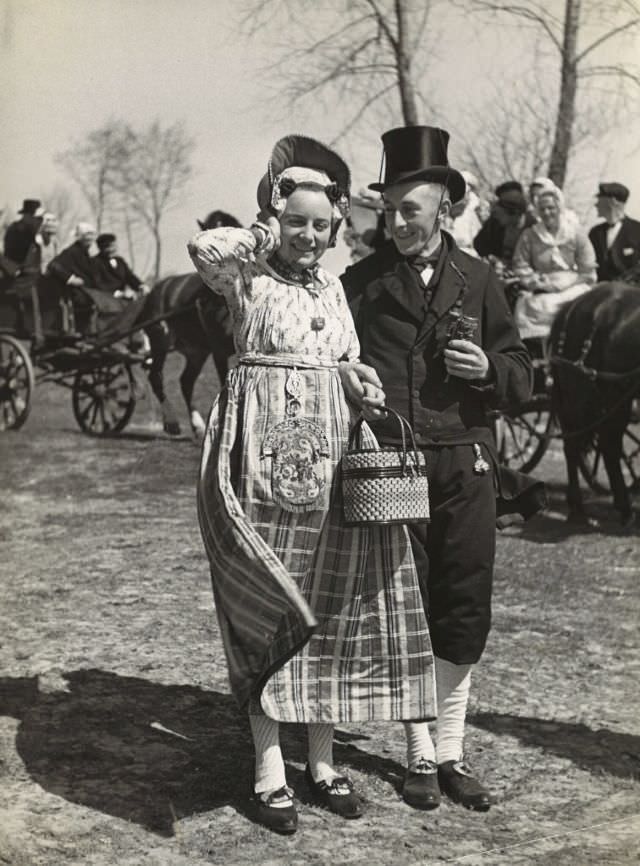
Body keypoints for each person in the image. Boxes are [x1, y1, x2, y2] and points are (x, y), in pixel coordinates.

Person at [188, 135, 437, 835]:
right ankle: (269, 766)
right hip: (259, 463)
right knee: (268, 610)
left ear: (334, 233)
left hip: (330, 466)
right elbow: (207, 252)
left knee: (327, 611)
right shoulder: (249, 277)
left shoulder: (332, 285)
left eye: (319, 225)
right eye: (296, 220)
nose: (307, 235)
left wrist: (363, 383)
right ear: (276, 214)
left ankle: (322, 764)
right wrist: (265, 225)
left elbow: (350, 359)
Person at [341, 125, 544, 814]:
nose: (396, 222)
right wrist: (349, 384)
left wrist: (490, 370)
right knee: (409, 611)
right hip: (391, 468)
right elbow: (330, 364)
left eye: (410, 210)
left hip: (467, 465)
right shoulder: (360, 285)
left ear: (445, 210)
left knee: (463, 605)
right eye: (389, 208)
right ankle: (420, 753)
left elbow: (521, 370)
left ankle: (453, 750)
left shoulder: (480, 279)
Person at [512, 185, 597, 340]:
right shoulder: (530, 235)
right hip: (541, 284)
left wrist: (566, 284)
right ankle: (536, 349)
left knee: (579, 304)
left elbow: (588, 269)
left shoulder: (576, 234)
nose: (547, 212)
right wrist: (536, 282)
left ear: (559, 207)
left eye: (551, 207)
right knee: (529, 305)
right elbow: (520, 264)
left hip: (572, 284)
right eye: (542, 209)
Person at [473, 181, 534, 268]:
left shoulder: (532, 227)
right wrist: (492, 258)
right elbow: (479, 245)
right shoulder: (494, 222)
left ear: (514, 213)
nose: (498, 218)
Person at [588, 182, 640, 281]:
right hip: (598, 291)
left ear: (612, 202)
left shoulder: (637, 231)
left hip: (630, 292)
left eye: (599, 200)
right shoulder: (595, 233)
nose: (596, 204)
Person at [3, 199, 44, 268]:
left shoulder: (33, 231)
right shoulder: (16, 230)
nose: (39, 221)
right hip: (15, 272)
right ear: (26, 215)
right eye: (37, 218)